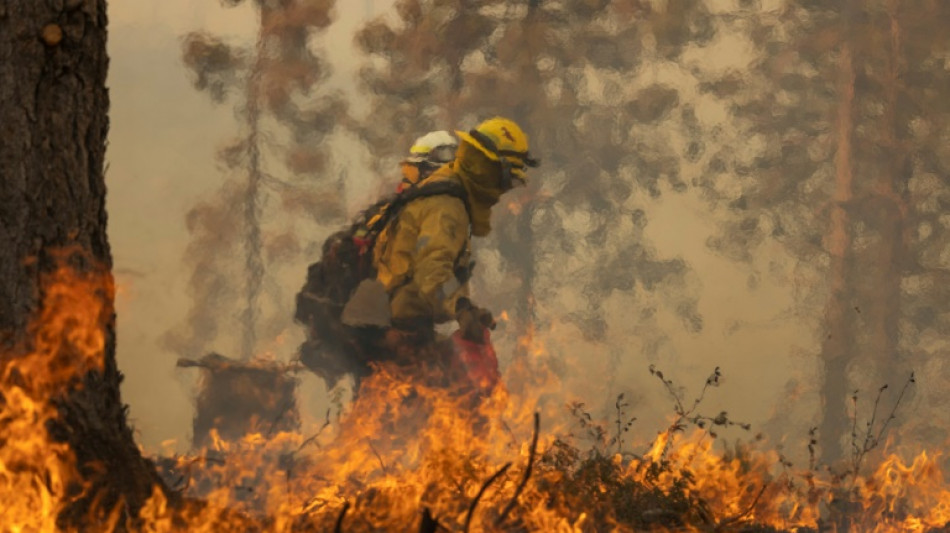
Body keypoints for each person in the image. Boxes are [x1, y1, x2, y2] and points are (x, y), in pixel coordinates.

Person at [354, 116, 540, 392]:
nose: (503, 191)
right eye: (506, 179)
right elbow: (432, 270)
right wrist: (461, 308)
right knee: (461, 395)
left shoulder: (445, 190)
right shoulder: (447, 205)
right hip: (394, 334)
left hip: (388, 328)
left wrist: (466, 307)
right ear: (490, 169)